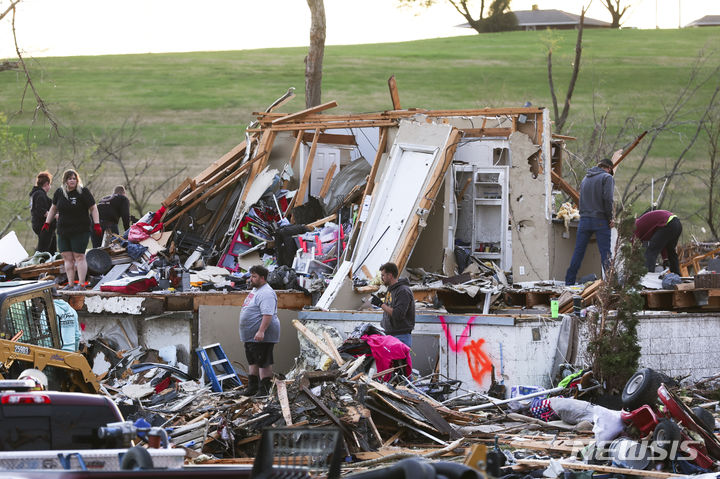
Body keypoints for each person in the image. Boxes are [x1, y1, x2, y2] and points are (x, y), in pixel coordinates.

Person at [564, 153, 620, 285]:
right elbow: (608, 199)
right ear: (609, 169)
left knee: (578, 252)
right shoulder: (607, 178)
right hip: (600, 220)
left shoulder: (586, 178)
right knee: (606, 255)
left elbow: (581, 199)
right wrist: (610, 218)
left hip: (584, 220)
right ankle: (613, 285)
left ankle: (569, 282)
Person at [43, 169, 101, 290]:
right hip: (64, 230)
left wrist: (97, 223)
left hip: (80, 230)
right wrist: (47, 222)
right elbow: (53, 208)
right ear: (65, 180)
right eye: (70, 178)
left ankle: (81, 284)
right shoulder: (59, 192)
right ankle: (70, 284)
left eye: (74, 178)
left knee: (79, 256)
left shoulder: (83, 192)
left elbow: (93, 208)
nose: (72, 181)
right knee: (67, 257)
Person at [238, 265, 280, 397]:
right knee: (253, 361)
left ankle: (264, 390)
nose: (251, 279)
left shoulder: (266, 293)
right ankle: (253, 387)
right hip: (251, 336)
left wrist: (261, 331)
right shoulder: (256, 290)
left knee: (263, 362)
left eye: (254, 276)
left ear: (262, 278)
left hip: (262, 335)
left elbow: (268, 314)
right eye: (251, 276)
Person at [371, 262, 415, 348]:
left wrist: (381, 304)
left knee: (399, 361)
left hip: (400, 337)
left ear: (390, 275)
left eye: (383, 275)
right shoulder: (391, 290)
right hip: (390, 335)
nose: (381, 278)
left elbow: (398, 314)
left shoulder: (403, 291)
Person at [634, 209, 682, 275]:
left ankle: (648, 278)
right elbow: (662, 242)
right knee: (671, 252)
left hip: (668, 223)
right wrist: (665, 258)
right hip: (676, 223)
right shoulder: (644, 225)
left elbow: (632, 246)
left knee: (651, 251)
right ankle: (677, 276)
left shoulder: (635, 227)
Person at [29, 171, 57, 254]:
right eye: (50, 184)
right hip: (43, 226)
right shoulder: (40, 194)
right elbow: (41, 211)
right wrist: (55, 216)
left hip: (42, 226)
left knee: (51, 246)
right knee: (43, 250)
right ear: (47, 184)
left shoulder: (36, 194)